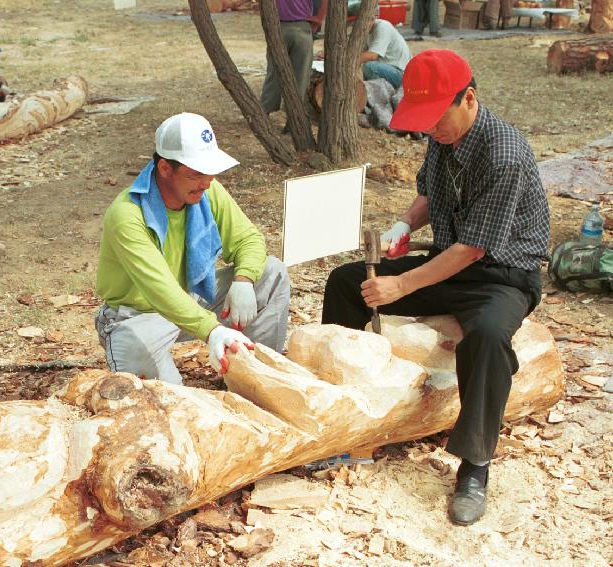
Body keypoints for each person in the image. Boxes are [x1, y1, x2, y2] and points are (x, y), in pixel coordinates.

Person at [322, 50, 549, 526]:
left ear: (469, 99)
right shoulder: (442, 137)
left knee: (486, 335)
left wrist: (401, 285)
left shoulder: (504, 151)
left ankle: (475, 465)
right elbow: (429, 193)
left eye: (436, 120)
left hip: (502, 275)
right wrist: (403, 225)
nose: (431, 130)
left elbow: (472, 250)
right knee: (348, 281)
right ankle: (339, 406)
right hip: (452, 262)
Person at [95, 112, 290, 384]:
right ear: (165, 168)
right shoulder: (127, 215)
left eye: (210, 171)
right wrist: (212, 331)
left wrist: (244, 280)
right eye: (196, 173)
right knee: (164, 403)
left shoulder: (207, 191)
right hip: (137, 315)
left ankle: (256, 379)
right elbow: (160, 289)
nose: (206, 181)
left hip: (194, 295)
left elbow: (249, 239)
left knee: (271, 273)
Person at [260, 0, 327, 115]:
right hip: (301, 26)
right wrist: (319, 18)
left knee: (274, 72)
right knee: (300, 77)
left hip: (279, 25)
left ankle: (265, 110)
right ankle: (294, 118)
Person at [359, 14, 411, 90]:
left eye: (365, 22)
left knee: (370, 67)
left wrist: (349, 62)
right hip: (390, 69)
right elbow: (361, 53)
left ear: (373, 19)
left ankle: (383, 96)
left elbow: (372, 56)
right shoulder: (367, 31)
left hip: (402, 74)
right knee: (365, 69)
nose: (362, 26)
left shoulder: (383, 27)